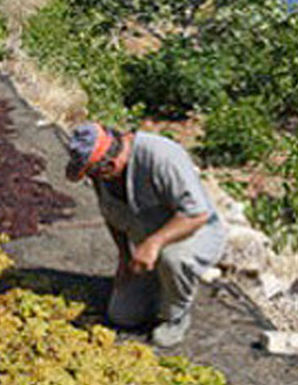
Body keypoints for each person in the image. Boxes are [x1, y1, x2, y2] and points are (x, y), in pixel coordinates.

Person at [65, 122, 225, 347]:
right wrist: (124, 257)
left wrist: (154, 242)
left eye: (92, 173)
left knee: (174, 259)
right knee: (122, 316)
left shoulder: (162, 156)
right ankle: (160, 284)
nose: (92, 179)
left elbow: (197, 214)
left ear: (111, 164)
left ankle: (176, 315)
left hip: (195, 233)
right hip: (148, 241)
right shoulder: (102, 176)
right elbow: (112, 215)